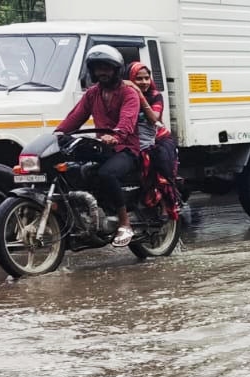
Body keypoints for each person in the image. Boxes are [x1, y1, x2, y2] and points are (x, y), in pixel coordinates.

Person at [56, 45, 142, 246]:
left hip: (126, 149)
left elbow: (127, 122)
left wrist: (116, 136)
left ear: (116, 69)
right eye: (97, 68)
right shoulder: (92, 94)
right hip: (102, 148)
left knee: (107, 174)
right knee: (73, 168)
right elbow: (73, 119)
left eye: (106, 68)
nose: (101, 72)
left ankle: (124, 222)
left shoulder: (128, 93)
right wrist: (56, 136)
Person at [124, 62, 181, 220]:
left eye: (146, 78)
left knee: (158, 163)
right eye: (138, 79)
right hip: (133, 140)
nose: (143, 82)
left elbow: (154, 119)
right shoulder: (124, 96)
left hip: (158, 139)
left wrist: (139, 96)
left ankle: (166, 205)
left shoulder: (155, 96)